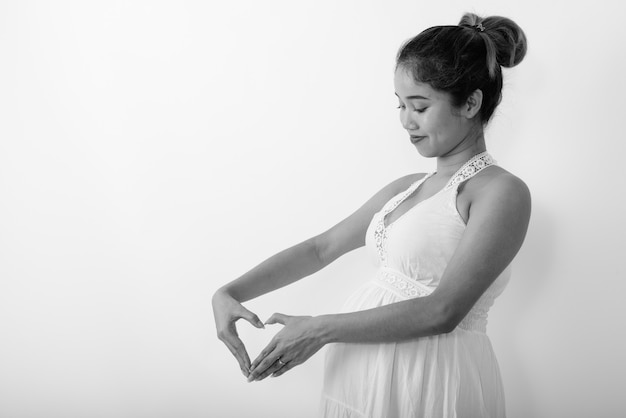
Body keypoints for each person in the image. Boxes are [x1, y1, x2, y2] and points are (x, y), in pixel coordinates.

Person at [212, 12, 530, 417]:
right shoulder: (406, 187)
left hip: (432, 382)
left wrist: (319, 329)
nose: (405, 121)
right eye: (400, 105)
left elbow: (444, 311)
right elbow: (320, 249)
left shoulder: (501, 192)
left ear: (470, 102)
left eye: (419, 106)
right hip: (365, 381)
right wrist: (230, 292)